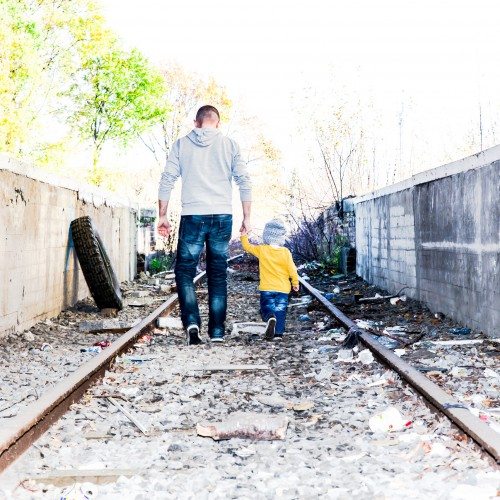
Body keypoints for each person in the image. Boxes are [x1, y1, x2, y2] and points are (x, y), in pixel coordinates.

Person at [157, 105, 252, 345]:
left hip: (193, 216)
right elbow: (244, 181)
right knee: (217, 274)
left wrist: (163, 215)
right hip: (222, 216)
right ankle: (217, 332)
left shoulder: (181, 144)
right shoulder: (229, 145)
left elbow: (167, 179)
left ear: (196, 122)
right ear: (217, 123)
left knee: (185, 271)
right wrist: (246, 217)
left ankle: (191, 323)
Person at [240, 219, 299, 340]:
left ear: (266, 236)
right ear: (281, 237)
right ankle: (278, 334)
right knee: (281, 311)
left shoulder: (262, 249)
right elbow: (292, 269)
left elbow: (247, 247)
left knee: (266, 307)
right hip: (283, 289)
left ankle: (270, 317)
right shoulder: (285, 252)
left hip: (267, 288)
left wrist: (244, 235)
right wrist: (295, 282)